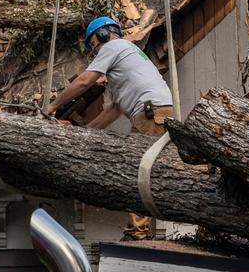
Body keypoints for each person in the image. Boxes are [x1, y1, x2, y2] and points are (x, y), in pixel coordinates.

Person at [45, 15, 174, 238]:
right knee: (144, 169)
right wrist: (81, 133)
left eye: (93, 46)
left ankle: (137, 233)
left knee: (139, 170)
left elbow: (85, 81)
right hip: (152, 113)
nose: (94, 52)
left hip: (151, 113)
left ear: (103, 34)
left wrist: (52, 106)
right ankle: (140, 230)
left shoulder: (114, 46)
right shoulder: (124, 61)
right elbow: (113, 110)